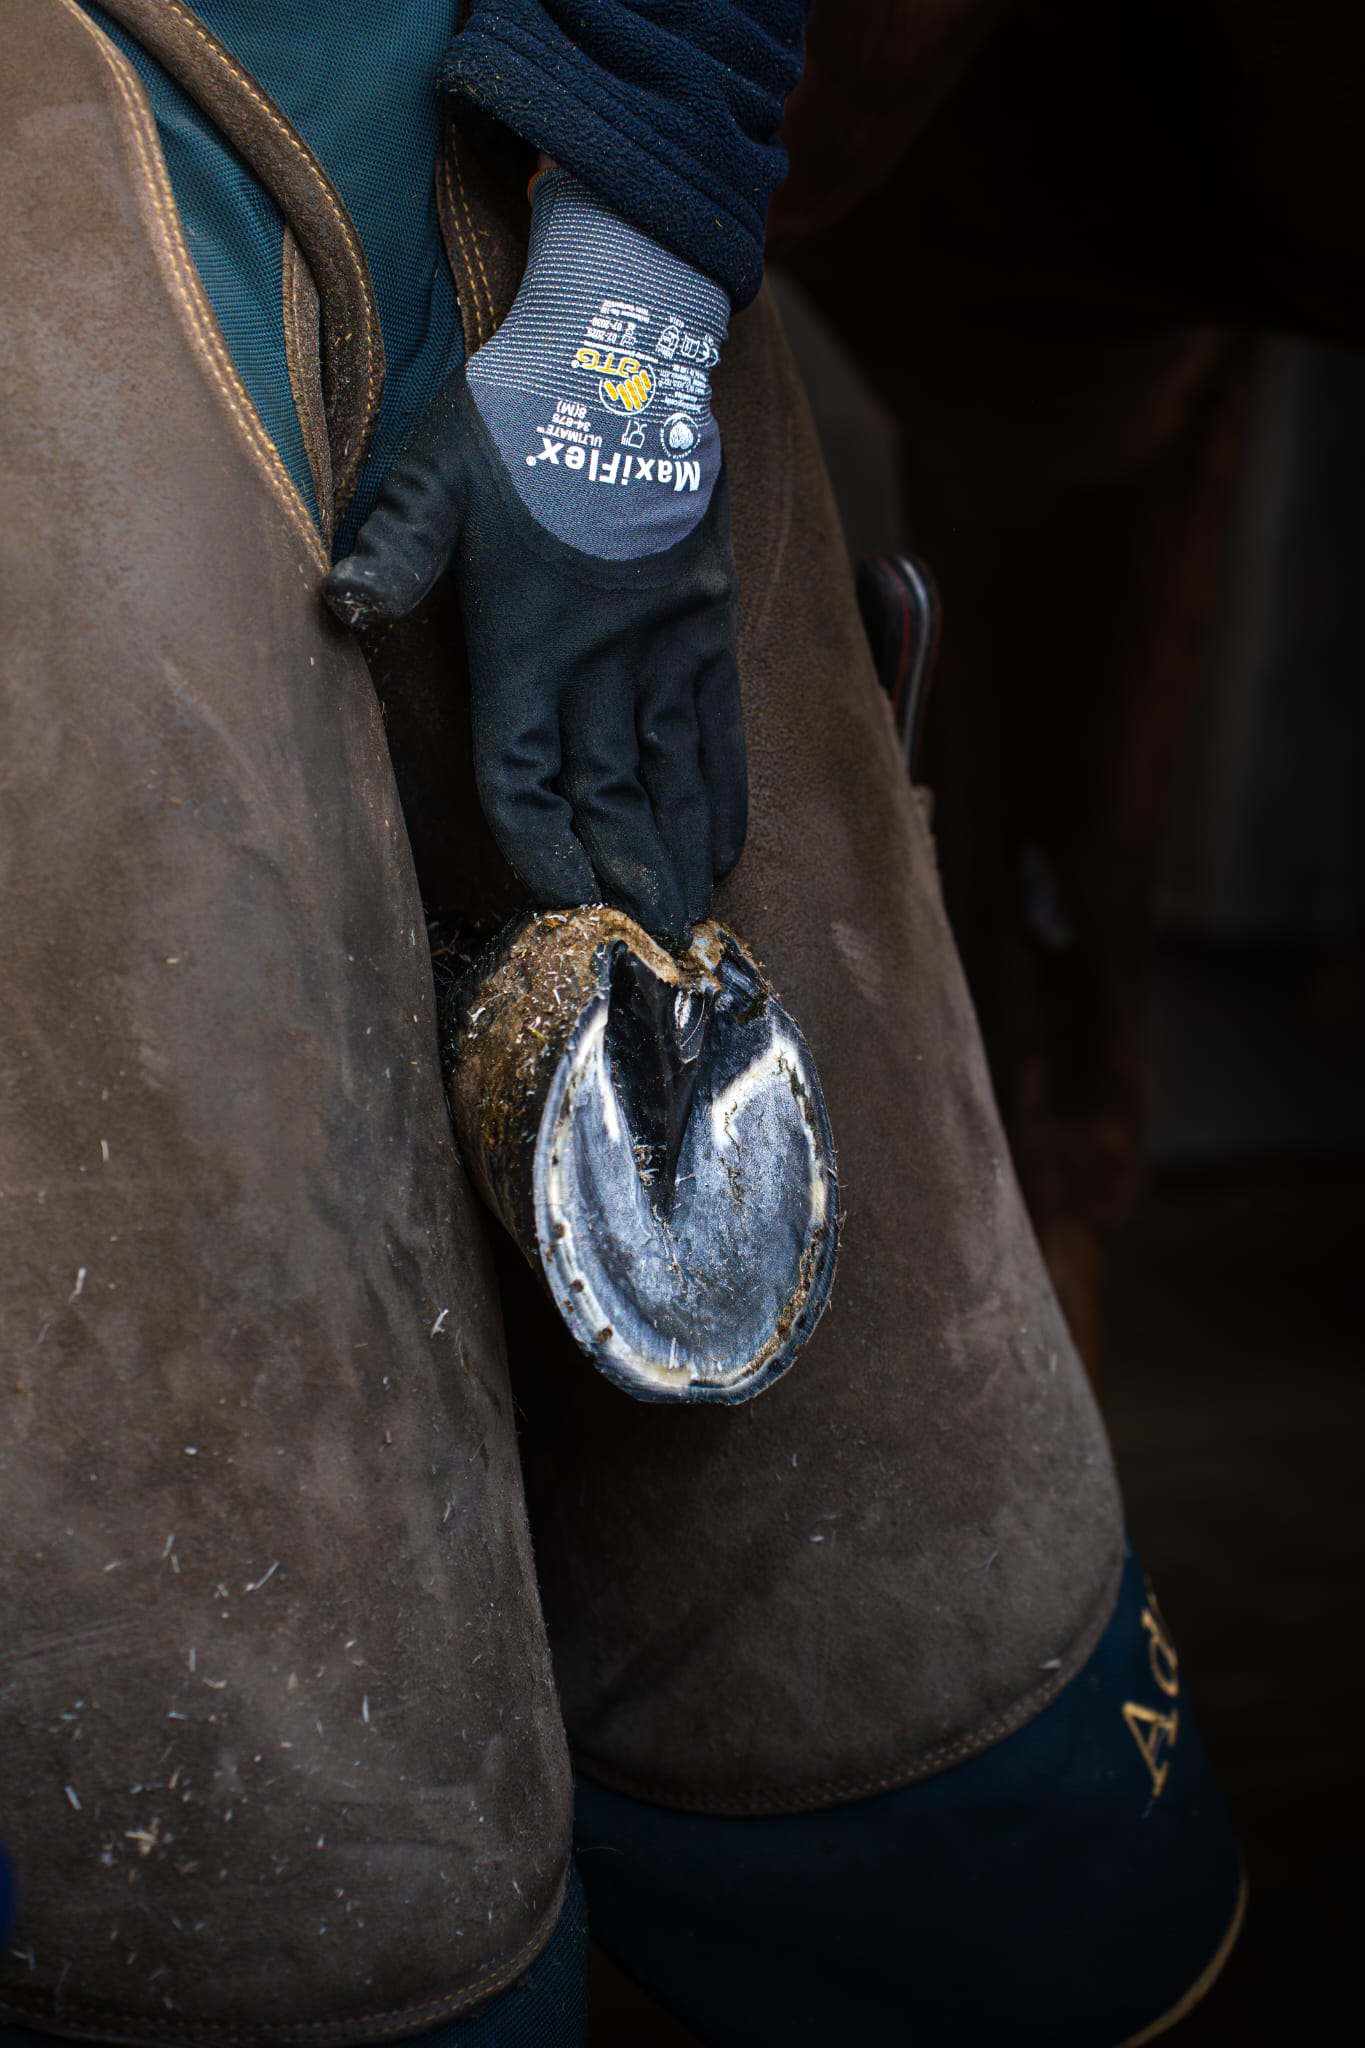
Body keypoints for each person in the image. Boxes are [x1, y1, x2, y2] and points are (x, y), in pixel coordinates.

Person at [1, 4, 1240, 2043]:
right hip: (102, 251)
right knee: (268, 1846)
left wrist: (628, 298)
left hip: (526, 166)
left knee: (918, 1728)